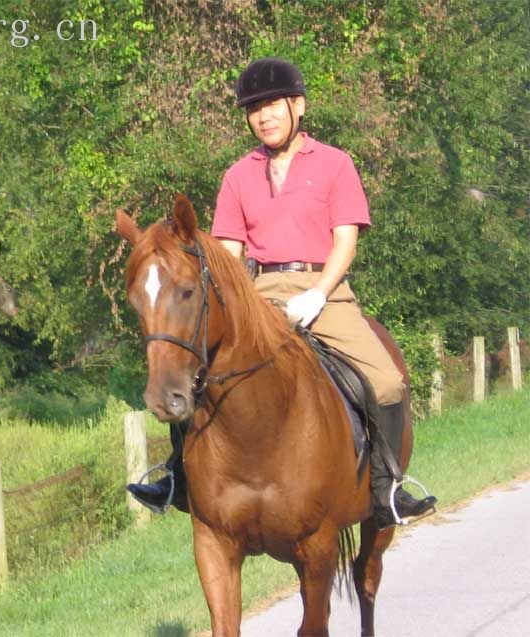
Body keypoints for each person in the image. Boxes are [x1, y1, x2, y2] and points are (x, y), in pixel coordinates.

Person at [127, 57, 437, 529]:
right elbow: (227, 255)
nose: (263, 115)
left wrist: (318, 293)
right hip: (259, 294)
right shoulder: (238, 176)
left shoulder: (335, 164)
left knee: (387, 381)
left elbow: (345, 240)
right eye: (254, 108)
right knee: (195, 372)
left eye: (272, 104)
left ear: (299, 106)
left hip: (325, 291)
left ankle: (386, 486)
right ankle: (177, 479)